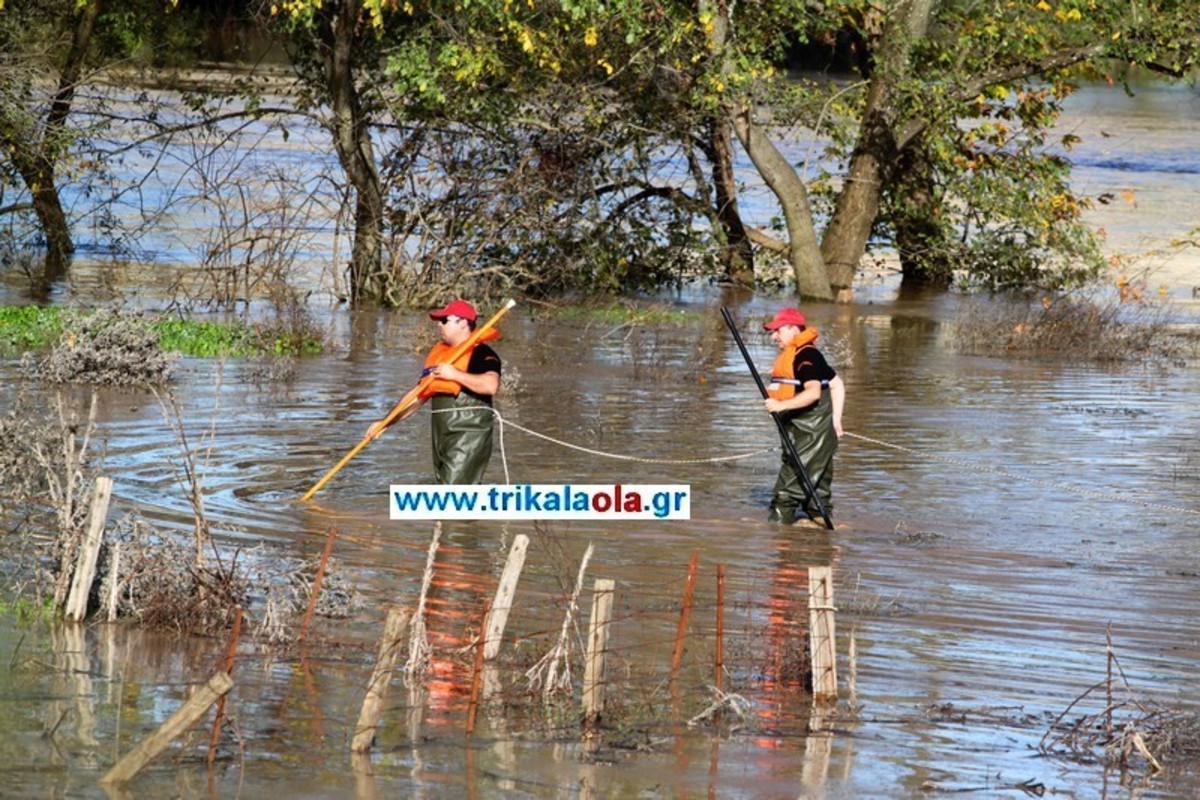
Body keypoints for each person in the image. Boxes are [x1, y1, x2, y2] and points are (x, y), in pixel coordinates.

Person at [367, 299, 502, 484]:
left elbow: (491, 385)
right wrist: (385, 423)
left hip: (468, 435)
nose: (439, 324)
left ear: (463, 323)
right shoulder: (439, 356)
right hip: (442, 436)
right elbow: (416, 396)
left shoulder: (482, 353)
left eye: (444, 320)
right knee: (446, 487)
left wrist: (455, 374)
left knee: (452, 491)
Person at [761, 308, 845, 526]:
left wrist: (780, 405)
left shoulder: (805, 356)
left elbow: (813, 392)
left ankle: (776, 541)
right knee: (817, 498)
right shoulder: (805, 354)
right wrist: (835, 420)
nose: (774, 337)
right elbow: (836, 383)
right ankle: (822, 547)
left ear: (792, 328)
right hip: (808, 435)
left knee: (785, 497)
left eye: (777, 331)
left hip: (811, 437)